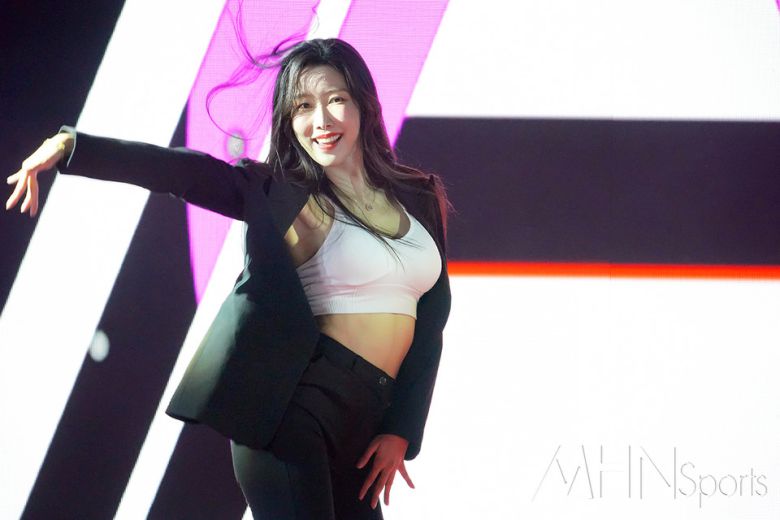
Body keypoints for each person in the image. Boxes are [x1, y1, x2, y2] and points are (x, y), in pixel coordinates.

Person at [5, 38, 451, 519]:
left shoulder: (417, 195)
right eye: (303, 106)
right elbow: (183, 172)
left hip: (363, 423)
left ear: (363, 103)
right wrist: (73, 147)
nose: (321, 121)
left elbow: (431, 321)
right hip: (292, 409)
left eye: (336, 99)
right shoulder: (278, 193)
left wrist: (401, 428)